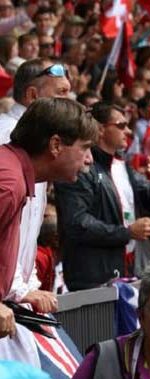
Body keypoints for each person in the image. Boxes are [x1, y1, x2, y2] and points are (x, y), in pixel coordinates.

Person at [0, 97, 98, 338]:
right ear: (56, 145)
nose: (89, 159)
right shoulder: (8, 184)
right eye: (84, 147)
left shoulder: (14, 176)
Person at [54, 102, 150, 290]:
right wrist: (127, 233)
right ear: (101, 129)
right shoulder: (81, 166)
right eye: (120, 125)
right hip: (92, 275)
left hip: (127, 268)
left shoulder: (123, 166)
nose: (127, 131)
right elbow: (77, 223)